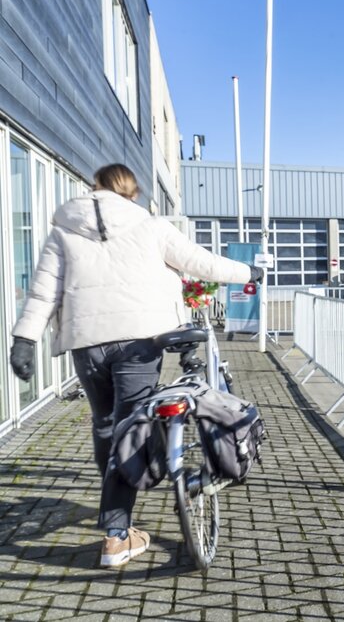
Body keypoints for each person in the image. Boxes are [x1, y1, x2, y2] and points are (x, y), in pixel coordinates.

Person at [7, 164, 259, 569]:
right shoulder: (149, 225)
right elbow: (202, 263)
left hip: (86, 342)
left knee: (106, 425)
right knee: (130, 426)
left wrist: (24, 340)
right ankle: (117, 535)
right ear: (132, 192)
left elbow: (43, 290)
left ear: (96, 186)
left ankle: (122, 503)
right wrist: (250, 272)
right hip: (141, 341)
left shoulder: (65, 227)